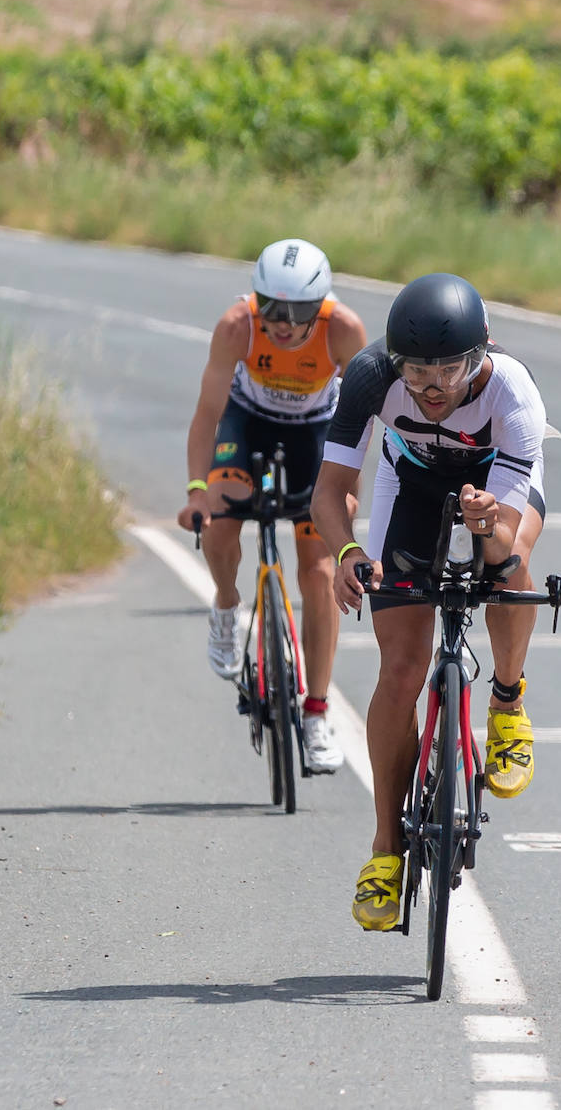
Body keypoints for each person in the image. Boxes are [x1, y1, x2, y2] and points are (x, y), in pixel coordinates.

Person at [311, 272, 549, 930]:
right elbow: (329, 491)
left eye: (450, 368)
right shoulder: (368, 377)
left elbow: (501, 530)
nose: (433, 386)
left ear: (482, 356)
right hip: (409, 485)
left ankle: (506, 701)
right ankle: (386, 850)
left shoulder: (513, 391)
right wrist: (345, 554)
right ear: (396, 363)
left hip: (493, 487)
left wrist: (486, 520)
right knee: (401, 670)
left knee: (508, 563)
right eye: (417, 371)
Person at [177, 238, 367, 772]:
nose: (283, 323)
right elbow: (207, 415)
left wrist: (347, 489)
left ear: (322, 307)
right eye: (271, 308)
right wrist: (196, 491)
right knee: (219, 512)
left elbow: (366, 424)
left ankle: (316, 711)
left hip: (317, 430)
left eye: (299, 311)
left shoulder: (345, 331)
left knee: (320, 563)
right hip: (249, 419)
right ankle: (224, 603)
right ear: (255, 300)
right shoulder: (237, 325)